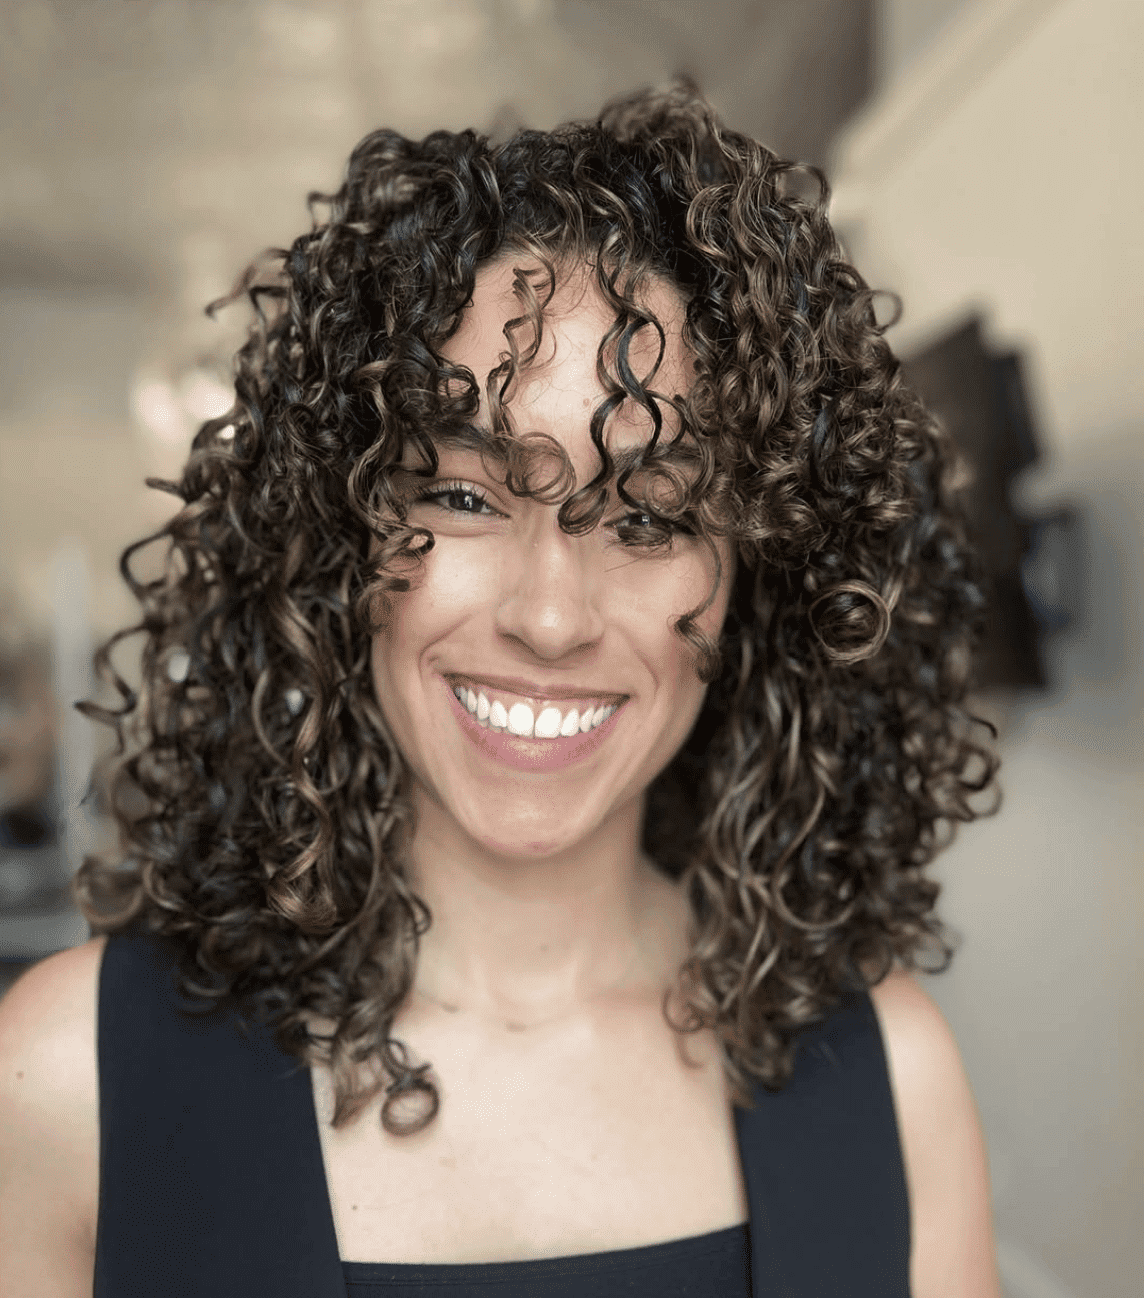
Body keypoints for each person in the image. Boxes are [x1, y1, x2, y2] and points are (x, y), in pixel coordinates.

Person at [0, 83, 1001, 1296]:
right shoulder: (69, 1077)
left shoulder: (890, 1075)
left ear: (755, 575)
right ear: (341, 540)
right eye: (465, 496)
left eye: (648, 514)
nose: (548, 613)